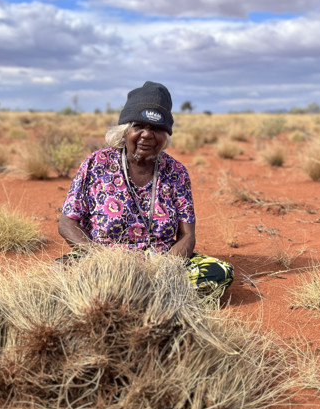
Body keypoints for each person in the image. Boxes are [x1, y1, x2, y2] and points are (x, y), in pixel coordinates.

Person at [58, 81, 233, 299]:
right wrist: (100, 259)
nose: (147, 135)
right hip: (103, 261)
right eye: (139, 126)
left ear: (166, 135)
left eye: (157, 128)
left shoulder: (176, 172)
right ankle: (153, 299)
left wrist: (163, 268)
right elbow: (67, 223)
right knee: (62, 272)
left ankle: (138, 297)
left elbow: (187, 235)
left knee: (219, 273)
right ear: (125, 130)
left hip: (159, 264)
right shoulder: (97, 163)